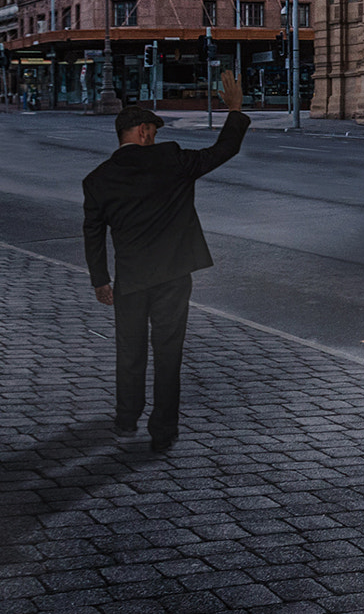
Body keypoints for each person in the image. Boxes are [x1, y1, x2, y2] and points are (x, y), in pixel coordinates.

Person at [82, 70, 249, 451]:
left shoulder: (98, 179)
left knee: (130, 352)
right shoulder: (170, 158)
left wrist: (100, 280)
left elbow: (93, 232)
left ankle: (126, 421)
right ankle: (163, 430)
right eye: (152, 130)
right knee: (169, 354)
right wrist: (234, 109)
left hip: (131, 280)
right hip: (173, 275)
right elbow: (223, 151)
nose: (155, 135)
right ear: (142, 131)